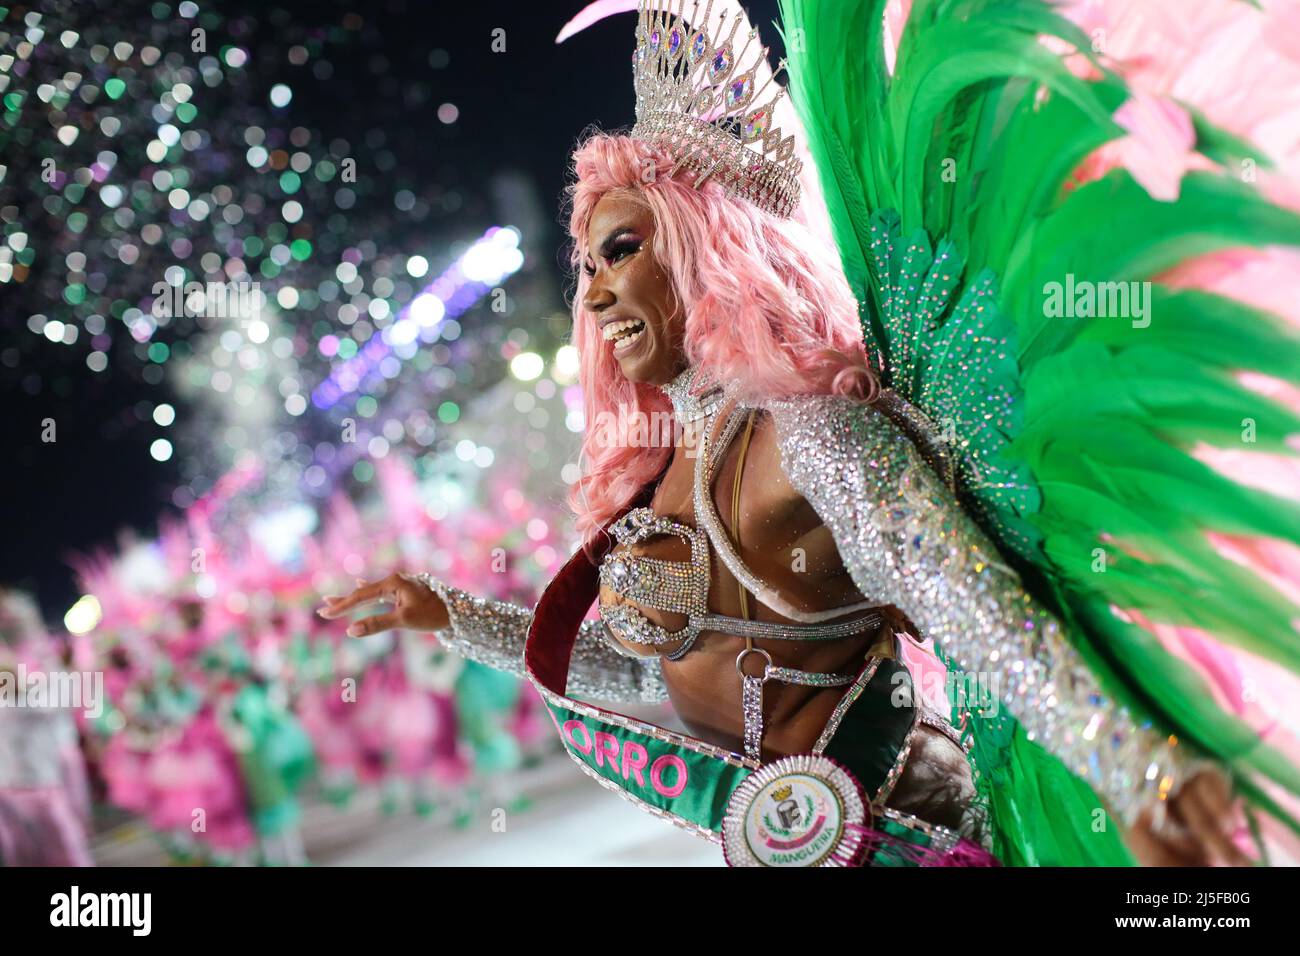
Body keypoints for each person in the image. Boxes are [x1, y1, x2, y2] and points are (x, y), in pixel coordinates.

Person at [319, 0, 1300, 866]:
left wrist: (1131, 765)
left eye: (624, 247)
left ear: (711, 247)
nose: (599, 286)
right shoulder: (661, 475)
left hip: (910, 834)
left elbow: (970, 611)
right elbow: (633, 671)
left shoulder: (814, 435)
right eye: (587, 264)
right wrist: (451, 614)